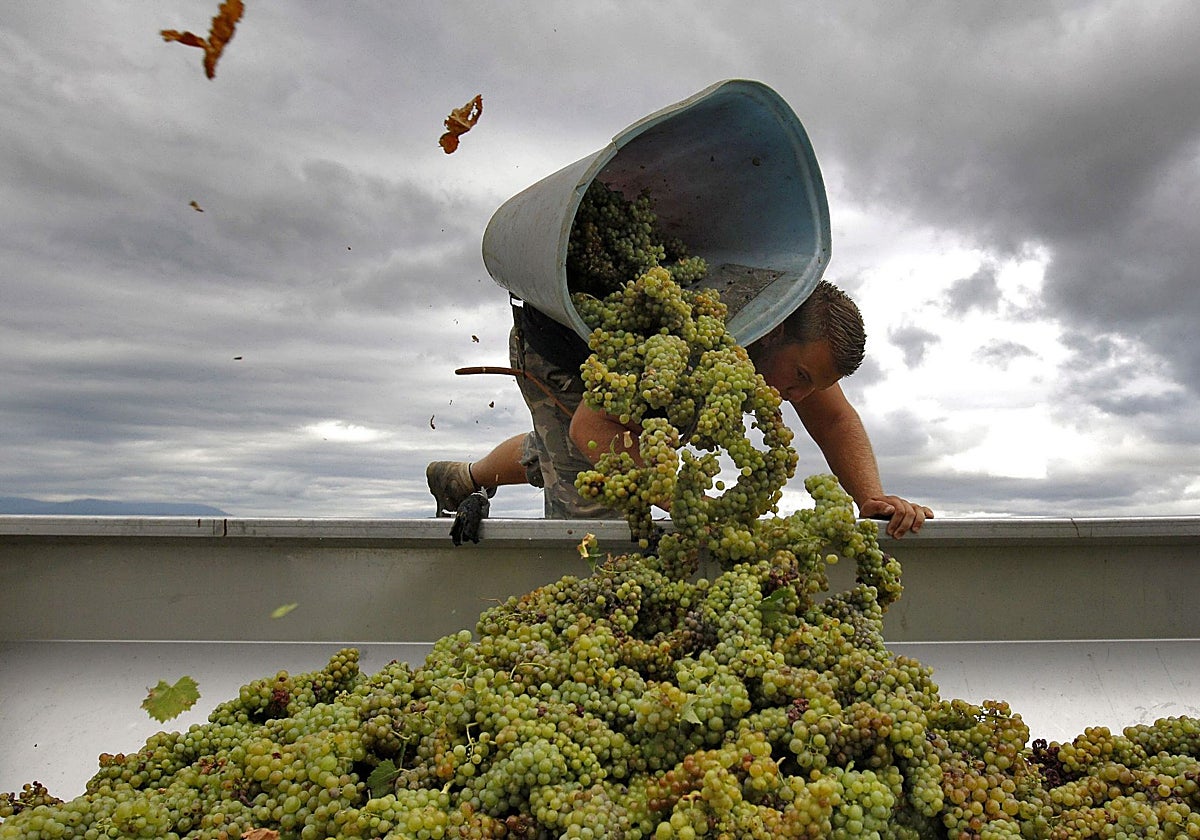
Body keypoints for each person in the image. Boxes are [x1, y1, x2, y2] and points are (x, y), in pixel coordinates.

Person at [428, 281, 933, 539]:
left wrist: (871, 497)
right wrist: (694, 510)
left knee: (562, 449)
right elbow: (591, 425)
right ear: (775, 332)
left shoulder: (790, 337)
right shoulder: (696, 344)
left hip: (629, 371)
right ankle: (480, 476)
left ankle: (462, 477)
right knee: (595, 485)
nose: (798, 396)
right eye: (800, 378)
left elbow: (834, 418)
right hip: (560, 349)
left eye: (812, 385)